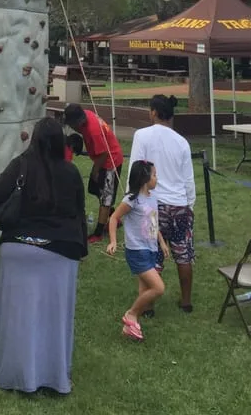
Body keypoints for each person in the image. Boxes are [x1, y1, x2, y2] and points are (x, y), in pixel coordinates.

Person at [0, 117, 87, 395]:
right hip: (60, 252)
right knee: (56, 318)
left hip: (19, 249)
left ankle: (17, 376)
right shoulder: (70, 172)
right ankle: (54, 377)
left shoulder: (21, 165)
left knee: (18, 317)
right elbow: (79, 211)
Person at [129, 93, 196, 312]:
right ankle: (186, 302)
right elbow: (188, 180)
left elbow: (135, 169)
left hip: (153, 205)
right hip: (180, 205)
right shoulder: (182, 142)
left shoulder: (142, 135)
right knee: (183, 254)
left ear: (154, 112)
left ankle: (148, 305)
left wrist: (132, 200)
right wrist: (189, 207)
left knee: (151, 255)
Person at [106, 160, 169, 342]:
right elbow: (114, 218)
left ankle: (131, 327)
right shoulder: (131, 200)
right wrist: (113, 241)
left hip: (150, 249)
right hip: (137, 251)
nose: (157, 178)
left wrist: (162, 243)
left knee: (144, 290)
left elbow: (153, 224)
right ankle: (131, 314)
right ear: (144, 178)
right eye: (155, 175)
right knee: (158, 288)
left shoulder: (152, 198)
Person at [62, 103, 124, 241]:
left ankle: (98, 233)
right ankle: (113, 216)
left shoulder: (93, 130)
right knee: (95, 188)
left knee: (106, 197)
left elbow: (103, 155)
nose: (71, 128)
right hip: (102, 160)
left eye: (71, 125)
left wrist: (95, 172)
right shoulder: (85, 115)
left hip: (110, 162)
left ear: (77, 123)